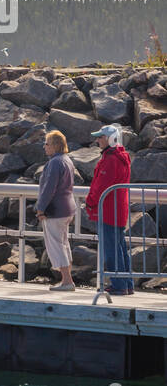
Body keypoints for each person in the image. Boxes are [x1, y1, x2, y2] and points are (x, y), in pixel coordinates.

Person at [85, 124, 132, 295]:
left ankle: (119, 286)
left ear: (110, 138)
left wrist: (90, 202)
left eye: (100, 137)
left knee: (112, 249)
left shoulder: (110, 160)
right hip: (118, 209)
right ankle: (127, 284)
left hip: (109, 210)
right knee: (120, 248)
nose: (97, 140)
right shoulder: (121, 157)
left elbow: (101, 186)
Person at [36, 129, 77, 291]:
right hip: (67, 208)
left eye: (46, 143)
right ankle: (68, 279)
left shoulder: (54, 163)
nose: (44, 147)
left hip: (55, 210)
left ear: (54, 146)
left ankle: (67, 281)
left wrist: (40, 208)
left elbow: (49, 188)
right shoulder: (67, 160)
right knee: (64, 243)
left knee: (56, 244)